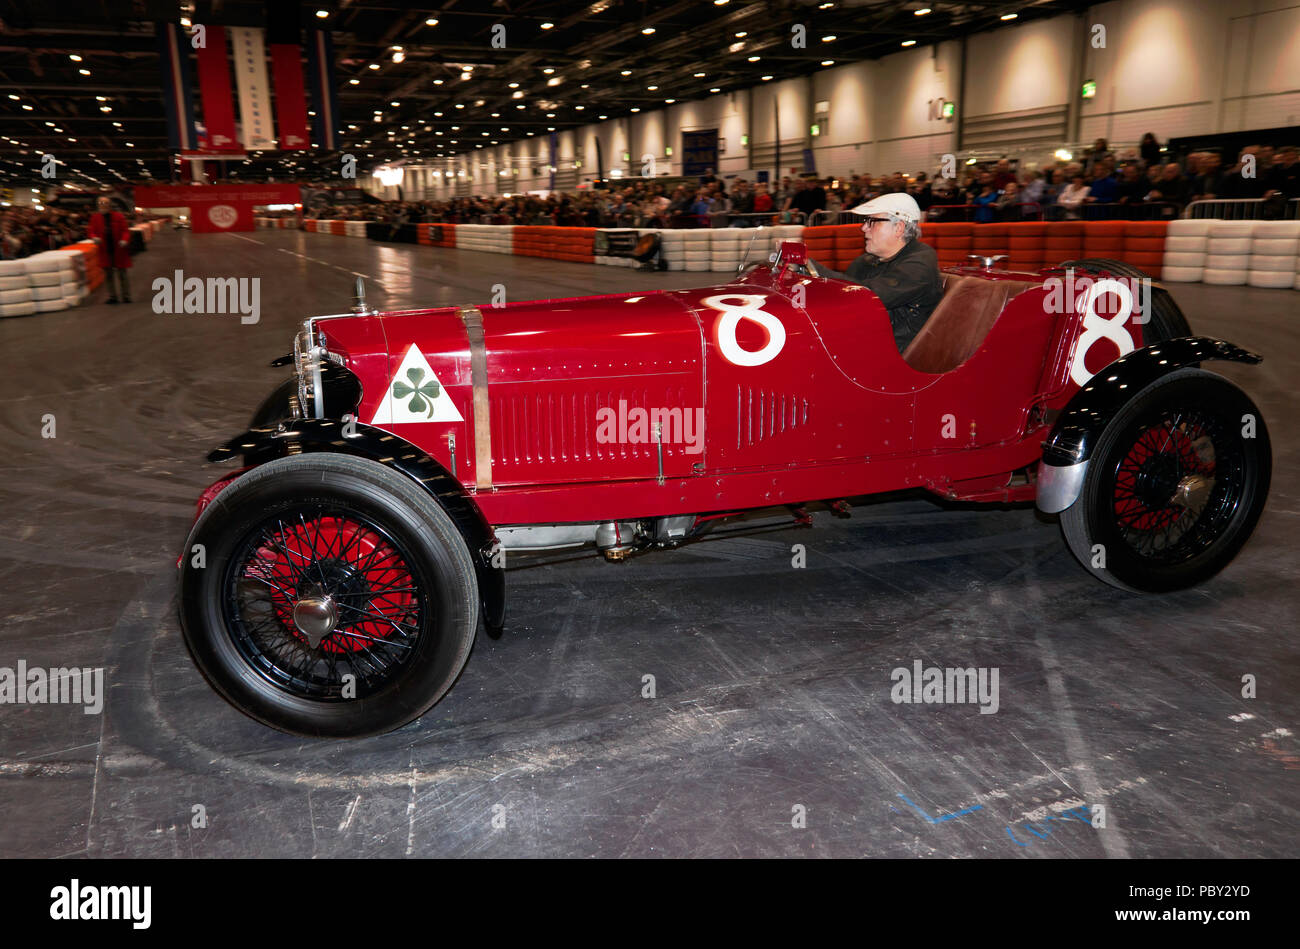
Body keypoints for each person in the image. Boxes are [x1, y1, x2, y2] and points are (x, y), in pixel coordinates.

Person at [807, 192, 943, 355]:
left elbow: (869, 295)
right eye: (866, 221)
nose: (863, 228)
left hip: (893, 356)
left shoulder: (920, 262)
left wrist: (815, 269)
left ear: (898, 227)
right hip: (866, 341)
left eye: (872, 222)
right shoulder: (867, 261)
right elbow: (844, 299)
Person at [87, 195, 132, 303]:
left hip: (119, 250)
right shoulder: (95, 218)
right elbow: (91, 231)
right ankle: (112, 296)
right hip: (105, 251)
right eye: (101, 203)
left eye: (105, 203)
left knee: (122, 274)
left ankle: (126, 296)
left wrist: (124, 240)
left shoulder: (119, 216)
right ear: (98, 205)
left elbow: (125, 231)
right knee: (108, 276)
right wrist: (94, 237)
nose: (103, 205)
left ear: (109, 205)